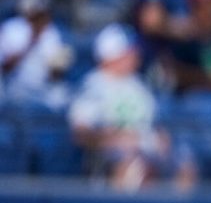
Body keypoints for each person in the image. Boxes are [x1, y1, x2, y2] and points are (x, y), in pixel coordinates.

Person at [68, 24, 196, 191]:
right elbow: (81, 133)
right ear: (113, 55)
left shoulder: (139, 85)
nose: (135, 55)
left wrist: (161, 139)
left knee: (184, 163)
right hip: (112, 154)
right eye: (129, 51)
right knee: (133, 167)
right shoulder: (93, 86)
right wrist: (119, 139)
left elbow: (155, 126)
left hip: (147, 149)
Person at [0, 0, 72, 110]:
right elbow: (5, 68)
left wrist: (59, 66)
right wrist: (31, 41)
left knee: (61, 97)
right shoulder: (12, 28)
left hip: (42, 89)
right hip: (14, 86)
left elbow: (54, 76)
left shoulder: (52, 32)